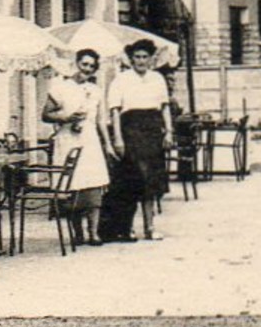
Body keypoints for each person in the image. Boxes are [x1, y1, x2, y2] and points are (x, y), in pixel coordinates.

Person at [102, 39, 174, 242]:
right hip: (130, 132)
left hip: (152, 132)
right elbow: (115, 110)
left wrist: (168, 132)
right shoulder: (121, 79)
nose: (141, 61)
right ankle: (127, 228)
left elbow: (165, 107)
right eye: (137, 57)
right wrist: (118, 138)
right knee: (133, 181)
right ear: (131, 59)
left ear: (151, 59)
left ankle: (150, 228)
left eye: (145, 57)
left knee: (151, 182)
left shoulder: (157, 79)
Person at [43, 48, 111, 247]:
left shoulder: (95, 91)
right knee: (72, 186)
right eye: (84, 64)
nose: (87, 69)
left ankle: (94, 233)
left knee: (93, 184)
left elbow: (100, 121)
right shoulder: (60, 87)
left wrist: (107, 144)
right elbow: (46, 114)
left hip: (89, 139)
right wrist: (64, 117)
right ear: (76, 64)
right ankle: (77, 232)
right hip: (67, 138)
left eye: (91, 66)